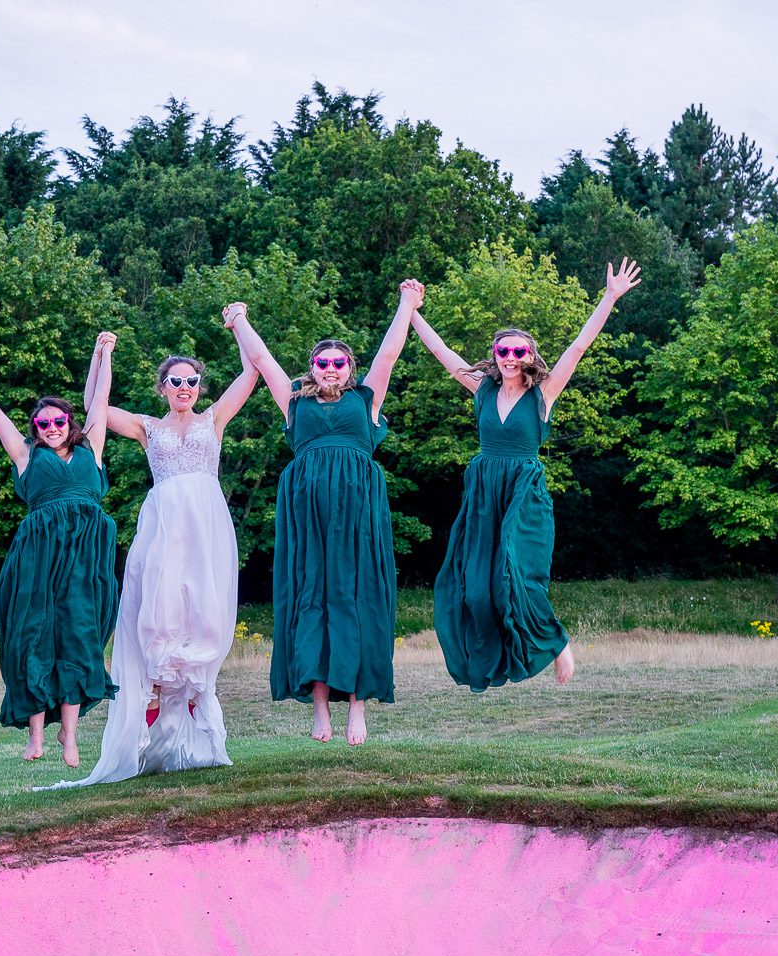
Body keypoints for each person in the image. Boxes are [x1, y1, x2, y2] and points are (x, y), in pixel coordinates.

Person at [411, 259, 641, 690]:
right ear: (495, 357)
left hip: (523, 494)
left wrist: (610, 297)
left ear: (530, 356)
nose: (512, 358)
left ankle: (556, 641)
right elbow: (442, 353)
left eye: (520, 352)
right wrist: (412, 312)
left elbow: (577, 348)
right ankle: (494, 661)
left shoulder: (544, 392)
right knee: (477, 589)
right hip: (483, 494)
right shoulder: (481, 389)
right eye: (504, 351)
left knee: (513, 577)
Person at [41, 342, 260, 790]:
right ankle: (153, 703)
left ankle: (195, 700)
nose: (185, 387)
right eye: (175, 381)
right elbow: (93, 406)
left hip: (206, 526)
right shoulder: (147, 428)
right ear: (163, 388)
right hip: (164, 525)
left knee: (204, 611)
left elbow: (251, 374)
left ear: (199, 386)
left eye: (191, 380)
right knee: (159, 612)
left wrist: (236, 326)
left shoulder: (213, 418)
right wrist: (101, 355)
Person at [224, 281, 419, 745]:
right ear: (313, 367)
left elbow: (389, 355)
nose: (330, 369)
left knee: (358, 597)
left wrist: (407, 305)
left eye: (339, 363)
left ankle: (356, 708)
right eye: (322, 362)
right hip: (307, 511)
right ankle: (318, 708)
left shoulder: (366, 400)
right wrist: (239, 321)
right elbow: (263, 360)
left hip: (357, 511)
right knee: (311, 593)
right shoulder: (295, 400)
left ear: (349, 369)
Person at [0, 333, 120, 767]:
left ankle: (70, 736)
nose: (52, 428)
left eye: (59, 422)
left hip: (85, 559)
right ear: (35, 430)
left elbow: (101, 397)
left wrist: (104, 353)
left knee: (79, 638)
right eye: (44, 424)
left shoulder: (91, 447)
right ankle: (36, 735)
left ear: (69, 424)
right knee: (34, 637)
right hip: (38, 560)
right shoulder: (25, 456)